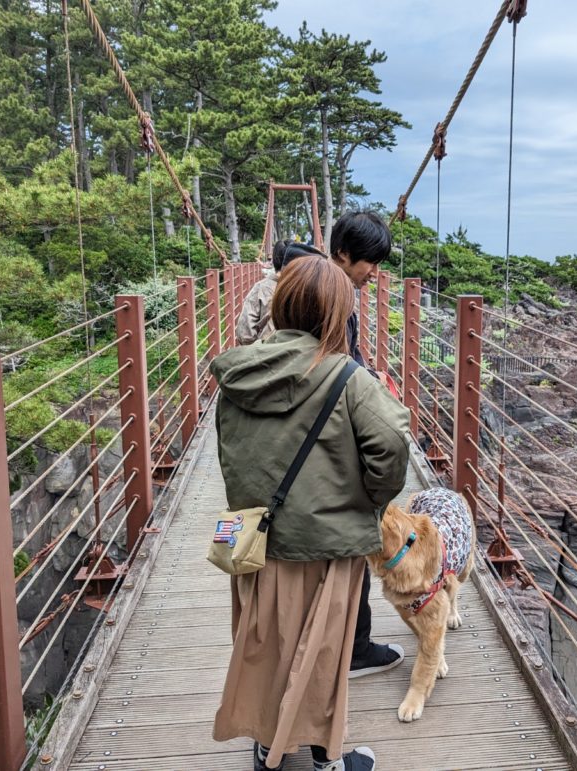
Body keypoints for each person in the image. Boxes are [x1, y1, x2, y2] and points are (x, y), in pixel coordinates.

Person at [211, 255, 410, 771]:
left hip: (252, 538)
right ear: (337, 313)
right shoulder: (348, 378)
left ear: (279, 306)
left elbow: (232, 455)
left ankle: (265, 744)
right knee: (323, 651)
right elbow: (391, 444)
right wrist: (369, 498)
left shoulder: (237, 373)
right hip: (325, 544)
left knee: (263, 645)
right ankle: (327, 761)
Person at [327, 211, 404, 678]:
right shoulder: (333, 301)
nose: (374, 272)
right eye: (369, 262)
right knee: (353, 543)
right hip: (334, 453)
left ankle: (348, 646)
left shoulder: (313, 288)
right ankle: (352, 651)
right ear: (342, 255)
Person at [236, 240, 289, 344]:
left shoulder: (260, 288)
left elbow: (245, 334)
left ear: (274, 260)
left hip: (266, 351)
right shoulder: (306, 289)